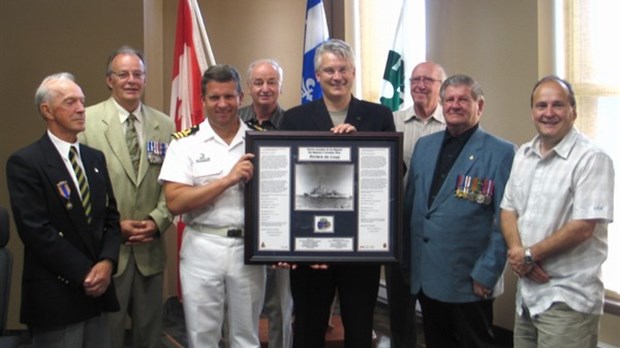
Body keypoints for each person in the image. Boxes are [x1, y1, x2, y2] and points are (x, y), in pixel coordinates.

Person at [280, 39, 395, 348]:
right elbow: (285, 184)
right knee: (308, 327)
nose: (336, 76)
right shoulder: (294, 118)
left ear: (353, 72)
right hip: (311, 248)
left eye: (343, 69)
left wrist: (363, 148)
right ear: (317, 76)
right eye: (329, 70)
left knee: (359, 329)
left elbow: (395, 176)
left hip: (362, 246)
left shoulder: (378, 116)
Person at [6, 72, 121, 347]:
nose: (81, 108)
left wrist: (107, 263)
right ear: (47, 110)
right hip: (56, 296)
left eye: (82, 101)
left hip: (97, 293)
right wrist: (85, 273)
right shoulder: (26, 162)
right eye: (70, 102)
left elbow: (111, 219)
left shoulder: (94, 159)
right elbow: (36, 231)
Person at [500, 76, 614, 348]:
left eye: (557, 105)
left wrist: (528, 256)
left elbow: (583, 226)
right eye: (541, 106)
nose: (548, 113)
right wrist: (519, 254)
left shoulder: (592, 159)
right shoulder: (524, 154)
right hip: (527, 296)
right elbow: (508, 209)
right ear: (532, 112)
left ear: (573, 110)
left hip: (568, 299)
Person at [403, 74, 515, 348]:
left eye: (463, 99)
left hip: (470, 280)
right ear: (441, 103)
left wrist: (487, 272)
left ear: (480, 105)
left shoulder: (501, 152)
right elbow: (412, 207)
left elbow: (506, 221)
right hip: (427, 275)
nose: (455, 105)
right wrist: (408, 262)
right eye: (449, 99)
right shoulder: (424, 147)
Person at [158, 64, 266, 348]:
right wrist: (227, 180)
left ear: (240, 97)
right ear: (203, 100)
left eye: (229, 96)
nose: (222, 104)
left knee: (246, 337)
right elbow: (175, 201)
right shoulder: (185, 144)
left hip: (249, 250)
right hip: (203, 247)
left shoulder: (261, 140)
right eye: (214, 97)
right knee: (202, 336)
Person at [79, 46, 174, 348]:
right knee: (107, 336)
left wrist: (158, 220)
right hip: (108, 251)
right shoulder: (87, 122)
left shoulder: (165, 125)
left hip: (150, 248)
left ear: (145, 79)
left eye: (138, 74)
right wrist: (111, 227)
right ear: (109, 80)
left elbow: (173, 183)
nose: (131, 80)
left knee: (150, 335)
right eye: (123, 74)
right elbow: (80, 188)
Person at [387, 61, 447, 348]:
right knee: (400, 309)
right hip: (398, 230)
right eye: (415, 79)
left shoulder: (453, 125)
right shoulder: (392, 122)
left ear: (441, 87)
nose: (420, 85)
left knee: (437, 309)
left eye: (428, 80)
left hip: (437, 234)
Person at [239, 58, 293, 348]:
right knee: (240, 305)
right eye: (258, 82)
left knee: (280, 306)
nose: (265, 88)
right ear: (248, 87)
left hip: (281, 228)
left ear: (280, 86)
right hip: (242, 224)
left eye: (271, 81)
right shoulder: (232, 121)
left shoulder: (296, 122)